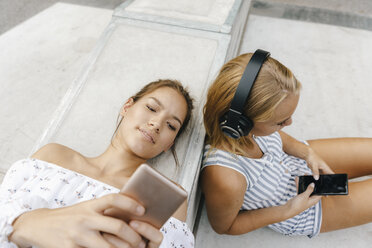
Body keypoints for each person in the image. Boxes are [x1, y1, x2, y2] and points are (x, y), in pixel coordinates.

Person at [0, 79, 195, 248]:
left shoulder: (164, 199)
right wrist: (24, 224)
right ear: (127, 107)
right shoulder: (53, 157)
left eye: (171, 125)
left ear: (169, 144)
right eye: (151, 108)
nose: (157, 123)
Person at [201, 51, 372, 238]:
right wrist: (287, 211)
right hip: (304, 210)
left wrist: (307, 153)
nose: (289, 124)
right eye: (280, 122)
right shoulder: (227, 179)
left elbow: (279, 138)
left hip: (296, 163)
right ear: (242, 123)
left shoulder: (249, 127)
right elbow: (226, 226)